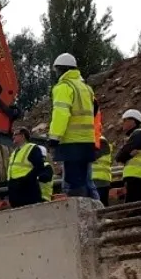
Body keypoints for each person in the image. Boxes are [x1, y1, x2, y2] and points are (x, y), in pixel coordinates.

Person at [47, 53, 97, 198]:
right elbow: (94, 111)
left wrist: (54, 138)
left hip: (72, 142)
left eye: (57, 70)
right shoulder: (86, 88)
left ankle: (79, 214)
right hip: (88, 141)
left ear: (62, 69)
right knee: (86, 182)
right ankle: (96, 211)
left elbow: (61, 114)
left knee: (73, 183)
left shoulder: (63, 87)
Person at [115, 109, 141, 204]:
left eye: (125, 120)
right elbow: (123, 154)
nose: (122, 123)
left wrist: (125, 155)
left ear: (132, 121)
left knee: (133, 205)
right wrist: (127, 155)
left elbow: (120, 156)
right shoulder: (136, 135)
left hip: (136, 175)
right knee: (136, 204)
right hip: (137, 175)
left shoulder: (139, 134)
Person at [6, 127, 47, 208]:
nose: (13, 137)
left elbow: (39, 166)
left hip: (26, 188)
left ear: (23, 136)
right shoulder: (15, 152)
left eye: (15, 134)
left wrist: (27, 179)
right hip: (14, 188)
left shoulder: (32, 148)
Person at [92, 135, 113, 206]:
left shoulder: (100, 140)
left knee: (99, 204)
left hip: (99, 179)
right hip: (100, 178)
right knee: (101, 204)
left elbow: (91, 156)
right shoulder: (99, 140)